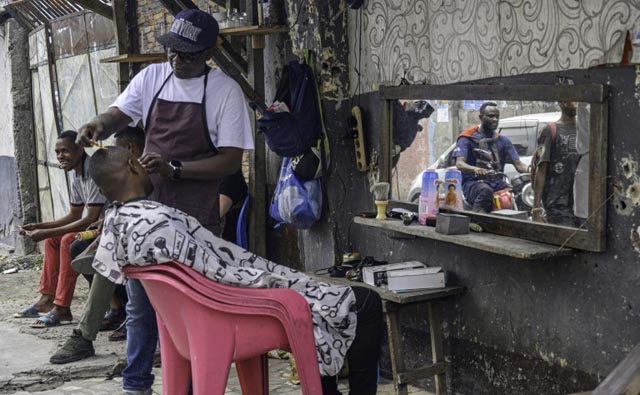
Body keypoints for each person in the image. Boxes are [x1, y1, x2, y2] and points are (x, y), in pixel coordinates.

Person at [90, 146, 383, 395]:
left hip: (195, 319)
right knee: (364, 302)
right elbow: (223, 274)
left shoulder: (121, 222)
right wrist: (276, 279)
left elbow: (208, 270)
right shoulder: (158, 221)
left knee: (323, 300)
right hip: (233, 312)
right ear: (132, 164)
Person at [75, 10, 253, 394]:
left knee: (191, 312)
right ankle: (136, 384)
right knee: (142, 307)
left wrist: (175, 168)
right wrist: (98, 125)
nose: (177, 61)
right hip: (148, 221)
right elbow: (119, 113)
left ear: (209, 51)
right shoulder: (153, 77)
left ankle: (188, 386)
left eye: (187, 55)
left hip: (196, 218)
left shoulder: (224, 91)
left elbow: (228, 160)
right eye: (172, 52)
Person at [50, 126, 145, 365]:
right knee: (91, 251)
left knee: (102, 253)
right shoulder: (134, 176)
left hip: (160, 250)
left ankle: (91, 330)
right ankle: (112, 315)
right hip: (137, 242)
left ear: (130, 152)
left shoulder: (147, 172)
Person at [15, 130, 106, 327]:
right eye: (57, 152)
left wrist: (46, 231)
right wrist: (40, 227)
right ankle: (47, 299)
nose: (60, 156)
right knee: (52, 240)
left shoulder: (92, 170)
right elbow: (74, 215)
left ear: (80, 149)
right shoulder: (77, 173)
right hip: (93, 227)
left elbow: (88, 219)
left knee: (67, 240)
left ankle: (62, 307)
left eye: (65, 151)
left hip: (107, 228)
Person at [453, 102, 528, 213]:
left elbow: (519, 165)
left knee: (519, 194)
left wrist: (533, 170)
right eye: (491, 116)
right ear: (480, 117)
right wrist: (475, 169)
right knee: (485, 191)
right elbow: (460, 164)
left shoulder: (503, 140)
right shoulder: (467, 138)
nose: (495, 119)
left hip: (497, 183)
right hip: (474, 184)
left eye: (497, 116)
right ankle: (477, 220)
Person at [532, 102, 581, 227]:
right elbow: (541, 169)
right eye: (572, 100)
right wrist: (536, 209)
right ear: (562, 102)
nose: (576, 104)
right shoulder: (550, 130)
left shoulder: (585, 130)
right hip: (557, 203)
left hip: (582, 201)